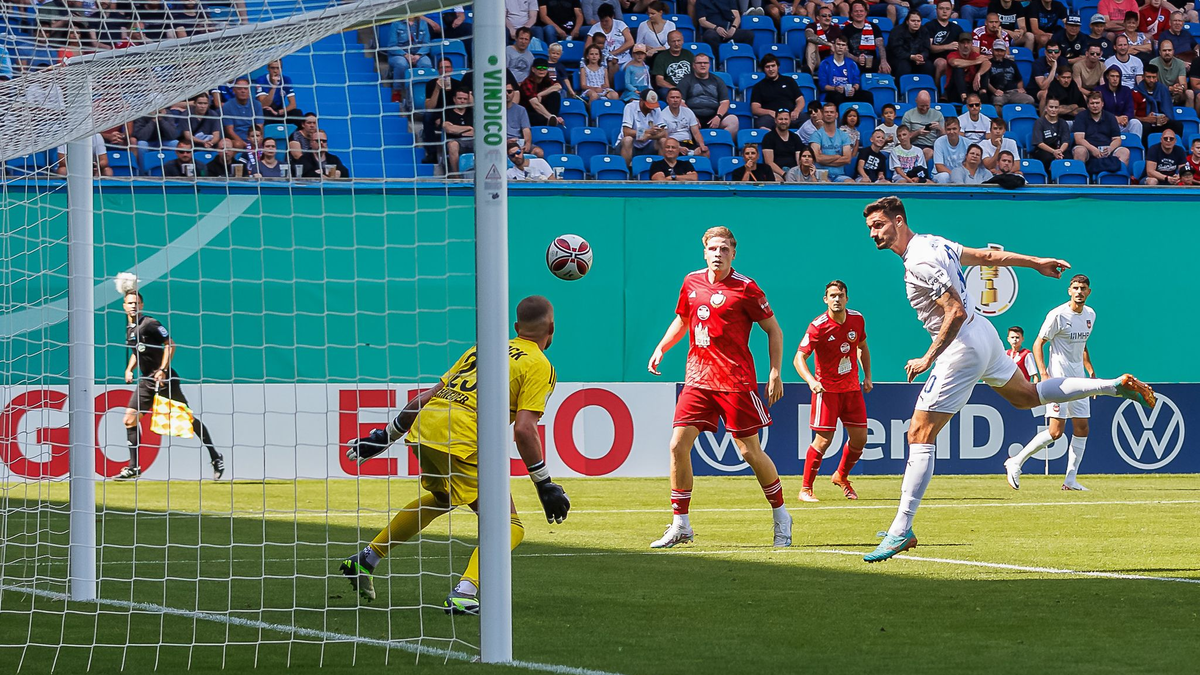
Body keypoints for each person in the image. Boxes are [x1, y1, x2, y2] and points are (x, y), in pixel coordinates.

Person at [860, 196, 1155, 562]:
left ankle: (901, 529)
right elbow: (986, 257)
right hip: (983, 333)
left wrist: (927, 357)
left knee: (919, 434)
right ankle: (1111, 386)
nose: (873, 233)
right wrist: (1035, 263)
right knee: (1027, 396)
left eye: (879, 225)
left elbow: (954, 311)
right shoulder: (933, 242)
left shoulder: (919, 260)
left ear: (899, 221)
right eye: (870, 228)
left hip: (961, 344)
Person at [339, 295, 571, 613]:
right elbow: (523, 430)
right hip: (462, 439)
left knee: (444, 499)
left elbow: (429, 395)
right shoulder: (539, 365)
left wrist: (384, 437)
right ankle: (465, 591)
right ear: (552, 329)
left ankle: (367, 558)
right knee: (510, 525)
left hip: (425, 429)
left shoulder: (483, 348)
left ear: (516, 327)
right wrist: (544, 484)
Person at [647, 227, 792, 549]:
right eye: (713, 248)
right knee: (677, 445)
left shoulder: (747, 288)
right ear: (704, 252)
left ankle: (782, 516)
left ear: (733, 254)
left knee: (749, 452)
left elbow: (774, 330)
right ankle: (680, 524)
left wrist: (774, 372)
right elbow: (683, 320)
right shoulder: (691, 282)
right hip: (698, 379)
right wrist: (662, 347)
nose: (718, 254)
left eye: (724, 249)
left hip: (735, 381)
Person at [114, 278, 224, 481]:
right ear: (124, 306)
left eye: (136, 303)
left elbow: (170, 344)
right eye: (130, 303)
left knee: (188, 421)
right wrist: (130, 369)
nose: (133, 306)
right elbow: (137, 352)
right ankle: (133, 467)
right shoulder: (129, 329)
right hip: (146, 381)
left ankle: (216, 457)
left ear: (142, 305)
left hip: (165, 380)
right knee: (129, 419)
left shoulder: (150, 324)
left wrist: (162, 370)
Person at [1004, 276, 1098, 491]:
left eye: (1083, 288)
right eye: (1075, 288)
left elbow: (1082, 346)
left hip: (1080, 379)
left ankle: (1070, 480)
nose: (1079, 292)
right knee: (1056, 432)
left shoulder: (1090, 314)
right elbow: (1039, 343)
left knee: (1082, 428)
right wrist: (1044, 374)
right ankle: (1016, 461)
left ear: (1089, 292)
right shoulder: (1057, 315)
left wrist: (1091, 371)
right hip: (1058, 380)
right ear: (1069, 291)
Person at [793, 280, 872, 502]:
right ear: (825, 299)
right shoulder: (818, 326)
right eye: (832, 295)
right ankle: (805, 489)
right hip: (827, 391)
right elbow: (798, 358)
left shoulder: (857, 319)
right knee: (823, 441)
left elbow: (862, 347)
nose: (837, 299)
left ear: (847, 298)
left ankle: (841, 476)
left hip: (852, 391)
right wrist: (811, 381)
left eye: (841, 295)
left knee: (860, 439)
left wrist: (867, 376)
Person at [677, 54, 739, 135]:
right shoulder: (685, 81)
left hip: (714, 115)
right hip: (692, 115)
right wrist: (692, 118)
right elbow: (680, 102)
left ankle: (718, 143)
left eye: (705, 63)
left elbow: (725, 102)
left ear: (709, 65)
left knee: (733, 121)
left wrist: (718, 117)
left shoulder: (718, 81)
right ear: (694, 65)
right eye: (699, 63)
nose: (703, 65)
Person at [1072, 91, 1129, 170]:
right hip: (1087, 148)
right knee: (1079, 151)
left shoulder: (1111, 117)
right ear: (1088, 105)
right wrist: (1093, 149)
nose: (1095, 106)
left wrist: (1110, 148)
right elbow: (1079, 139)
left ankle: (1119, 179)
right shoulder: (1080, 116)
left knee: (1125, 152)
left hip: (1106, 148)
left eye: (1097, 103)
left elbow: (1117, 139)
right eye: (1092, 103)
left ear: (1102, 104)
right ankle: (1080, 179)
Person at [750, 55, 805, 129]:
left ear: (778, 66)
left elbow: (800, 100)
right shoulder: (758, 86)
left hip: (790, 116)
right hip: (771, 118)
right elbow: (755, 109)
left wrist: (796, 111)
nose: (771, 69)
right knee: (762, 123)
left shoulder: (789, 81)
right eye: (767, 67)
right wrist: (769, 112)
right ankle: (773, 140)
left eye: (773, 66)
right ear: (763, 69)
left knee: (807, 120)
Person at [818, 36, 872, 106]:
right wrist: (835, 88)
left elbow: (857, 81)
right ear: (834, 46)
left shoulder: (852, 64)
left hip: (848, 92)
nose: (840, 47)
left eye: (843, 45)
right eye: (838, 44)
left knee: (868, 95)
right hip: (832, 92)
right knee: (837, 96)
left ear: (846, 48)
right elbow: (822, 85)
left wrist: (854, 89)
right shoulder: (825, 63)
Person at [810, 101, 855, 181]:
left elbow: (847, 159)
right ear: (822, 115)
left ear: (836, 115)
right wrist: (837, 156)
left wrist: (824, 159)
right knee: (826, 185)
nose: (829, 114)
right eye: (826, 112)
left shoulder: (844, 135)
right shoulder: (816, 135)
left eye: (832, 112)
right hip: (821, 175)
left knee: (850, 182)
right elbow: (817, 158)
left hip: (839, 175)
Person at [842, 0, 890, 75]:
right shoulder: (846, 29)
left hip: (871, 61)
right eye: (856, 11)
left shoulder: (874, 27)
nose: (859, 13)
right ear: (851, 14)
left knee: (884, 68)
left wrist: (883, 61)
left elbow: (880, 46)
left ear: (866, 13)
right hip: (852, 61)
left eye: (861, 11)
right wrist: (857, 59)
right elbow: (844, 50)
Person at [620, 88, 667, 163]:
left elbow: (664, 132)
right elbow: (626, 132)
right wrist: (645, 132)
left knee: (663, 140)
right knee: (628, 140)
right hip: (631, 146)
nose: (651, 108)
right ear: (641, 101)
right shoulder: (630, 107)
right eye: (648, 105)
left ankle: (661, 170)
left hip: (648, 144)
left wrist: (648, 136)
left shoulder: (656, 108)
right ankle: (626, 172)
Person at [923, 0, 964, 86]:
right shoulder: (929, 26)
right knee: (942, 63)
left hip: (953, 58)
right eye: (941, 8)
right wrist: (947, 46)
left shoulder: (957, 28)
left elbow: (965, 45)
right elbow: (929, 48)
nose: (944, 11)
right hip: (934, 58)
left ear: (951, 10)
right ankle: (939, 91)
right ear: (936, 10)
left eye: (947, 9)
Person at [588, 3, 634, 76]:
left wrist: (615, 52)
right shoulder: (594, 28)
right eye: (602, 21)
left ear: (612, 17)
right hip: (606, 61)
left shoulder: (620, 24)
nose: (604, 23)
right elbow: (588, 47)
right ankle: (612, 87)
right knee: (613, 64)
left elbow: (630, 42)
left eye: (606, 21)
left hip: (625, 60)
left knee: (636, 66)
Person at [1135, 65, 1180, 139]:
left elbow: (1168, 109)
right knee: (1145, 127)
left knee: (1177, 125)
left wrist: (1166, 119)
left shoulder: (1162, 89)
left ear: (1157, 77)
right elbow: (1132, 116)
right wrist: (1146, 119)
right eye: (1148, 77)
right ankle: (1146, 150)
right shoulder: (1136, 91)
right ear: (1143, 77)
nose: (1151, 80)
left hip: (1160, 122)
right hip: (1145, 121)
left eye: (1154, 77)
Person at [661, 88, 710, 156]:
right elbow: (665, 138)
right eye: (672, 97)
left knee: (705, 153)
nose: (675, 100)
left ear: (681, 100)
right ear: (667, 99)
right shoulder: (662, 115)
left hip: (689, 143)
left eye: (677, 97)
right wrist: (678, 148)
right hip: (674, 146)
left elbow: (696, 133)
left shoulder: (688, 111)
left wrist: (702, 145)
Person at [254, 60, 303, 127]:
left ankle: (299, 136)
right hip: (267, 112)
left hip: (279, 112)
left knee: (297, 113)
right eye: (272, 68)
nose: (275, 71)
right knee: (263, 112)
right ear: (268, 68)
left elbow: (293, 104)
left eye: (278, 68)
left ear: (281, 69)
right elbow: (263, 104)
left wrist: (279, 112)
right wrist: (274, 86)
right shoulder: (261, 80)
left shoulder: (286, 80)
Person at [946, 33, 991, 104]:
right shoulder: (953, 54)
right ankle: (964, 97)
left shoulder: (974, 55)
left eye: (968, 43)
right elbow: (954, 62)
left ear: (971, 44)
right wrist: (976, 61)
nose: (965, 46)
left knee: (983, 69)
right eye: (963, 43)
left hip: (971, 88)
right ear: (958, 44)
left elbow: (988, 63)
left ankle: (983, 94)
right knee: (958, 69)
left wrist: (979, 74)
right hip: (955, 90)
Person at [888, 10, 934, 79]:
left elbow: (926, 48)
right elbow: (896, 50)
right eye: (913, 21)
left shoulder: (924, 31)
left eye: (918, 21)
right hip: (899, 58)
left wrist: (922, 57)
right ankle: (900, 88)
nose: (916, 23)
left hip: (916, 58)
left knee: (928, 66)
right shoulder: (897, 31)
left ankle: (925, 87)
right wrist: (912, 57)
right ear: (907, 22)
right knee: (904, 66)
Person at [1100, 65, 1143, 138]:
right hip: (1106, 123)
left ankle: (1136, 147)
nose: (1115, 79)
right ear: (1107, 76)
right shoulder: (1099, 90)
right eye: (1112, 76)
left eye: (1117, 76)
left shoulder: (1126, 90)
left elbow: (1130, 109)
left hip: (1122, 123)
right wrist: (1114, 118)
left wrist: (1125, 118)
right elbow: (1098, 110)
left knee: (1136, 123)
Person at [220, 77, 263, 150]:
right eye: (239, 89)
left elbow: (259, 127)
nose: (243, 91)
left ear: (249, 90)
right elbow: (230, 130)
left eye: (245, 89)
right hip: (237, 139)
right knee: (238, 144)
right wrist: (244, 144)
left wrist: (254, 141)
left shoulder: (257, 104)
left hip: (253, 138)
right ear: (234, 91)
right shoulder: (227, 106)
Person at [1031, 97, 1071, 171]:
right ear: (1046, 108)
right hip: (1044, 150)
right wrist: (1053, 152)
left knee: (1068, 158)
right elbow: (1039, 143)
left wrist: (1060, 152)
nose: (1053, 110)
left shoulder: (1063, 123)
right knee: (1047, 158)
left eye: (1056, 107)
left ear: (1059, 109)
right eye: (1051, 107)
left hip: (1060, 149)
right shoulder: (1039, 122)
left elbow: (1066, 141)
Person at [1150, 40, 1194, 107]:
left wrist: (1179, 87)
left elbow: (1184, 84)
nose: (1167, 53)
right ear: (1160, 52)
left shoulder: (1180, 63)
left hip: (1176, 93)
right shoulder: (1153, 63)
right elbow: (1153, 84)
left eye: (1169, 50)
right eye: (1164, 50)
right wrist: (1168, 88)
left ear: (1173, 51)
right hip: (1160, 92)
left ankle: (1189, 116)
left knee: (1189, 93)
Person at [902, 91, 944, 162]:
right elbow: (903, 137)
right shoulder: (908, 115)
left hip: (934, 145)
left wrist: (940, 128)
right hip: (915, 145)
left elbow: (944, 136)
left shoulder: (938, 115)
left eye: (927, 106)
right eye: (922, 106)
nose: (924, 108)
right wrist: (918, 133)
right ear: (916, 101)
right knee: (928, 152)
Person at [521, 58, 563, 126]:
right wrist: (551, 117)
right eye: (539, 67)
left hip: (543, 110)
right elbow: (535, 104)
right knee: (541, 119)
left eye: (544, 68)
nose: (542, 70)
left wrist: (540, 94)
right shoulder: (527, 83)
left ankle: (552, 121)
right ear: (533, 69)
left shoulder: (547, 80)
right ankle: (552, 121)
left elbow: (558, 86)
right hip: (528, 111)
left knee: (555, 95)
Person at [651, 31, 693, 97]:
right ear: (668, 42)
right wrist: (674, 89)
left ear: (683, 41)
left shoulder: (688, 54)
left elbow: (696, 74)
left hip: (688, 87)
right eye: (673, 41)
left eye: (678, 41)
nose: (676, 44)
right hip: (669, 89)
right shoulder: (661, 57)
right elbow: (659, 81)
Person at [506, 83, 541, 158]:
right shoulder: (492, 111)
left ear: (513, 93)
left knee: (539, 152)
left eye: (509, 91)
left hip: (517, 142)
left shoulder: (521, 109)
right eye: (503, 91)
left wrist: (527, 143)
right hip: (501, 144)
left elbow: (526, 129)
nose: (506, 94)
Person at [443, 89, 474, 175]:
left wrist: (457, 130)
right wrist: (468, 128)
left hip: (473, 141)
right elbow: (449, 129)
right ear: (454, 99)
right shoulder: (447, 112)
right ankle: (456, 176)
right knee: (452, 145)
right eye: (459, 98)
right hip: (456, 142)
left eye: (465, 99)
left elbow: (476, 132)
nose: (462, 101)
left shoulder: (473, 113)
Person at [806, 6, 844, 73]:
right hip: (817, 60)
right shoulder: (812, 26)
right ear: (818, 17)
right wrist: (829, 44)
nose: (827, 18)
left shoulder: (836, 29)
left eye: (830, 16)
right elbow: (809, 36)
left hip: (831, 59)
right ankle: (809, 77)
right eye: (824, 16)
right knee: (811, 43)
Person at [931, 116, 967, 183]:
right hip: (941, 174)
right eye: (948, 129)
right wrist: (956, 176)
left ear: (959, 129)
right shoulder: (939, 142)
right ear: (945, 130)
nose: (951, 132)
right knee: (944, 176)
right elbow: (939, 167)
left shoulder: (968, 143)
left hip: (961, 175)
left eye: (954, 129)